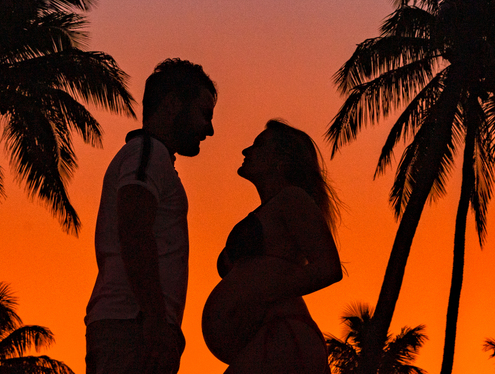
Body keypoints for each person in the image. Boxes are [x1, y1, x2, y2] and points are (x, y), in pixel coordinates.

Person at [85, 58, 217, 374]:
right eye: (204, 114)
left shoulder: (152, 157)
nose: (209, 129)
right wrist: (157, 323)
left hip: (135, 323)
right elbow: (134, 230)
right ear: (173, 104)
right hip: (133, 324)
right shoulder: (148, 153)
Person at [202, 120, 342, 374]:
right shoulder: (274, 209)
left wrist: (262, 293)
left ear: (282, 158)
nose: (247, 151)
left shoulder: (293, 199)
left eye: (259, 145)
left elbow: (329, 268)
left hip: (284, 337)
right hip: (268, 340)